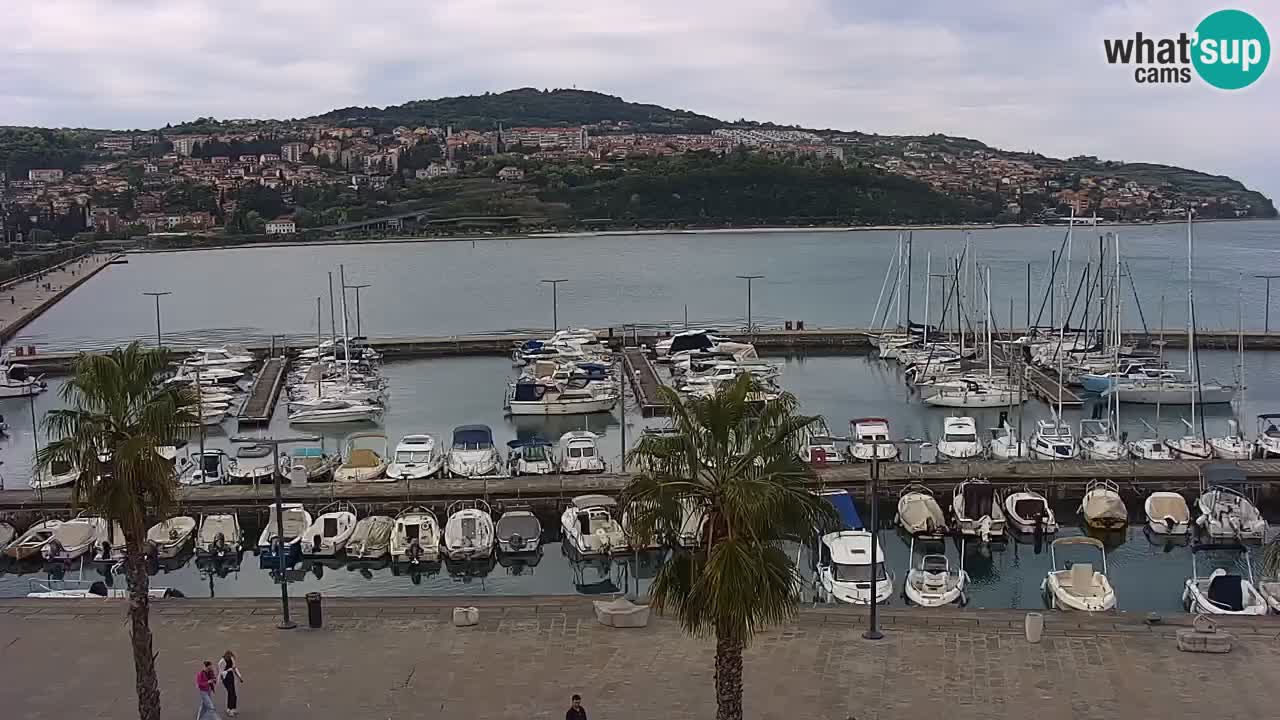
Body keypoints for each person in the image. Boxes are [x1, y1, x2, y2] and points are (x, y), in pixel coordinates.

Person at [217, 650, 244, 716]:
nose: (229, 658)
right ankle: (230, 710)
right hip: (225, 678)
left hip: (231, 676)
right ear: (225, 655)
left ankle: (231, 708)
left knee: (233, 693)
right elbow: (220, 672)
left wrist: (239, 677)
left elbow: (234, 668)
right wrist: (220, 680)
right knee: (231, 693)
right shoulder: (221, 662)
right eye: (228, 656)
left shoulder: (231, 659)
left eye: (230, 656)